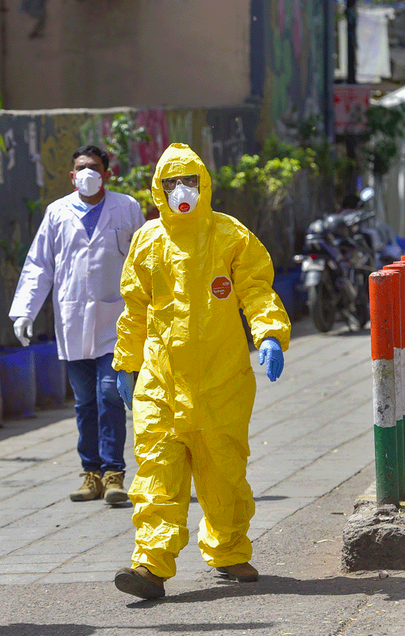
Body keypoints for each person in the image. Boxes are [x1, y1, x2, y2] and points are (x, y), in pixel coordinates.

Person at [111, 143, 291, 600]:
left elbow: (255, 288)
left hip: (221, 378)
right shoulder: (148, 240)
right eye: (171, 184)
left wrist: (269, 333)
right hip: (161, 377)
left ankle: (229, 548)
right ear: (159, 189)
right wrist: (126, 362)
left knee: (224, 468)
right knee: (156, 469)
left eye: (189, 182)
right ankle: (150, 565)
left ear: (203, 185)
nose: (181, 191)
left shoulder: (230, 235)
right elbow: (134, 307)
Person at [9, 145, 146, 504]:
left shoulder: (127, 208)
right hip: (72, 322)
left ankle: (114, 474)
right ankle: (91, 475)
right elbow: (39, 265)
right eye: (81, 168)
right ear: (72, 176)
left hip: (117, 322)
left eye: (94, 167)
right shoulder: (57, 213)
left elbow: (147, 260)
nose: (87, 173)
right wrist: (25, 311)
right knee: (84, 402)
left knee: (109, 394)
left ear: (107, 174)